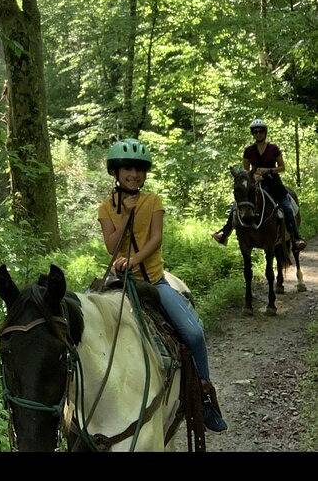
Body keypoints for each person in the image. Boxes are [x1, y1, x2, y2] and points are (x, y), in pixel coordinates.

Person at [98, 137, 228, 433]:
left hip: (154, 282)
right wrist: (126, 215)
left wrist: (134, 260)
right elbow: (111, 247)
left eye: (139, 170)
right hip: (120, 284)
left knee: (194, 333)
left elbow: (156, 239)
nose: (134, 175)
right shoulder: (105, 209)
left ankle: (204, 397)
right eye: (128, 169)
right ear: (116, 172)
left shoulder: (153, 201)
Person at [211, 118, 306, 251]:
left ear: (265, 132)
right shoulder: (248, 150)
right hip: (255, 183)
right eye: (255, 132)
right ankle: (224, 233)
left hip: (274, 184)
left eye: (261, 131)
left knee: (287, 206)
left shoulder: (273, 149)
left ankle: (296, 238)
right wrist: (254, 175)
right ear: (253, 134)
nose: (258, 134)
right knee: (237, 205)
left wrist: (268, 170)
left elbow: (282, 167)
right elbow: (246, 171)